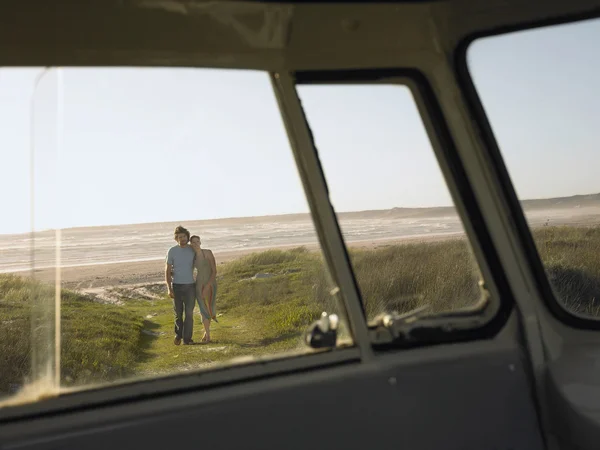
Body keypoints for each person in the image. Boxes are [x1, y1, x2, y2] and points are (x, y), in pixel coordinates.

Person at [165, 225, 196, 345]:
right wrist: (169, 288)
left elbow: (201, 263)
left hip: (190, 286)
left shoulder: (192, 249)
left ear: (187, 237)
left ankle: (187, 339)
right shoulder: (172, 251)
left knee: (189, 314)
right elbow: (167, 271)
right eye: (179, 237)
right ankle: (178, 335)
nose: (182, 238)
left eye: (184, 236)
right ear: (176, 239)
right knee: (178, 313)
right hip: (177, 286)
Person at [190, 235, 218, 343]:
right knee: (203, 309)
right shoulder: (192, 257)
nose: (196, 244)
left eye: (197, 241)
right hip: (199, 284)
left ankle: (206, 333)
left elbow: (214, 271)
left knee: (210, 308)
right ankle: (208, 336)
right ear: (191, 244)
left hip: (211, 284)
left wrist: (207, 286)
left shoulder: (208, 253)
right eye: (193, 242)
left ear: (200, 242)